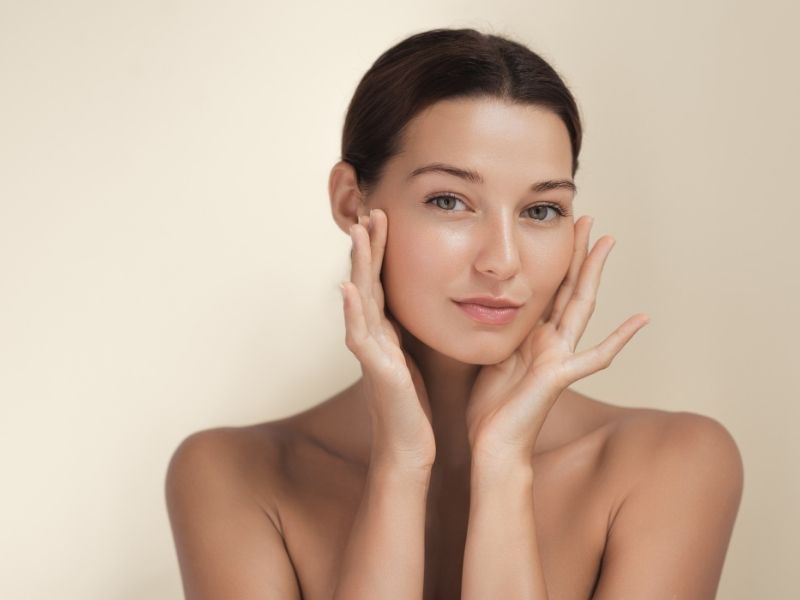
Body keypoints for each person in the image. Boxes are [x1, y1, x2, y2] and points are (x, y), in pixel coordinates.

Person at [165, 27, 744, 599]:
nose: (503, 261)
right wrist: (399, 466)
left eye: (541, 210)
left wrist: (504, 468)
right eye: (449, 201)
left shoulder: (675, 463)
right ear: (351, 202)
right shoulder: (231, 475)